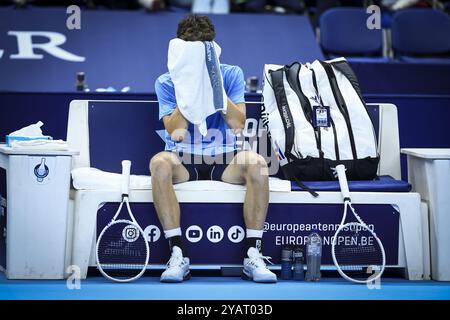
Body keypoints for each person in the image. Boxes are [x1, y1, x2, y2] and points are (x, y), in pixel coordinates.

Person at [150, 15, 277, 283]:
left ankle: (253, 254)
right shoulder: (166, 81)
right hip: (184, 159)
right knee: (159, 163)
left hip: (226, 158)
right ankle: (177, 252)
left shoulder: (230, 74)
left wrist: (213, 83)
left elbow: (237, 125)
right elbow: (177, 133)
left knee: (258, 164)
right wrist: (189, 87)